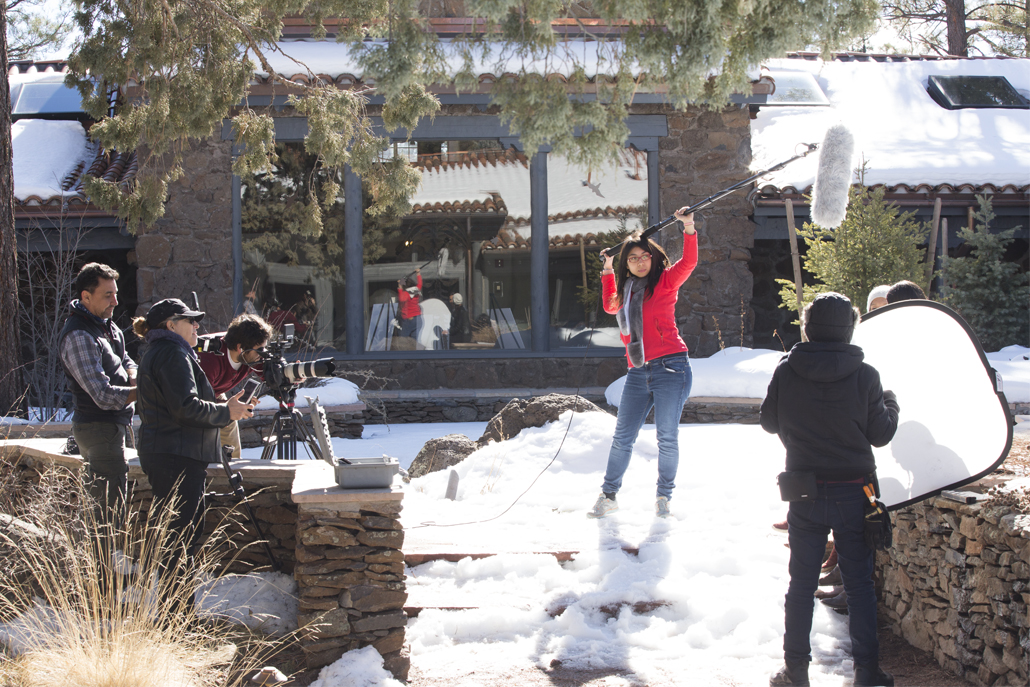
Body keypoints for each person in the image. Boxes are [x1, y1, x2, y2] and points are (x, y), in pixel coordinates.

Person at [760, 292, 900, 687]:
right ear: (849, 329)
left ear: (807, 327)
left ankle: (796, 672)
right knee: (859, 586)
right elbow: (881, 434)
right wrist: (891, 403)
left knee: (801, 584)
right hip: (857, 492)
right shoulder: (866, 375)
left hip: (803, 490)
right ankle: (867, 674)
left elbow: (769, 423)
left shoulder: (786, 371)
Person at [133, 298, 254, 609]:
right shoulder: (172, 353)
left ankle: (177, 616)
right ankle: (177, 619)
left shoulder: (166, 351)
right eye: (190, 321)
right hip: (176, 456)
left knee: (178, 537)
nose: (198, 326)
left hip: (172, 453)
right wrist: (226, 412)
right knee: (179, 539)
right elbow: (185, 407)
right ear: (171, 325)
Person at [587, 209, 698, 519]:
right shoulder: (625, 292)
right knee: (622, 436)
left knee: (666, 437)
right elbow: (611, 306)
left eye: (643, 256)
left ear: (653, 258)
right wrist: (608, 269)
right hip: (637, 371)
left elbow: (688, 262)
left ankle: (664, 498)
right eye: (632, 258)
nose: (638, 262)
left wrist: (688, 227)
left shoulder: (664, 282)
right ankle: (608, 495)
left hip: (671, 368)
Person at [58, 262, 137, 530]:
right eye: (107, 295)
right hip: (98, 428)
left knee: (111, 508)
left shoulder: (106, 325)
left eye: (115, 293)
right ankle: (105, 570)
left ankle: (108, 567)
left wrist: (134, 374)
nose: (115, 301)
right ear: (86, 296)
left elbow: (126, 359)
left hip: (111, 427)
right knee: (107, 516)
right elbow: (102, 395)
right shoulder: (79, 334)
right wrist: (145, 392)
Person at [197, 314, 271, 458]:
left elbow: (270, 375)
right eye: (259, 350)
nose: (262, 355)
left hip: (214, 392)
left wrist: (291, 375)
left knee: (229, 422)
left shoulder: (250, 353)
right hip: (196, 397)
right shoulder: (210, 359)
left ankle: (234, 468)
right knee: (225, 416)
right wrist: (229, 407)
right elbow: (199, 404)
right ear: (240, 348)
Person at [397, 269, 423, 343]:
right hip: (417, 318)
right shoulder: (416, 290)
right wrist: (418, 273)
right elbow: (420, 283)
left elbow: (401, 299)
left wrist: (400, 286)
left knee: (403, 341)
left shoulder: (406, 293)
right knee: (415, 341)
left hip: (409, 319)